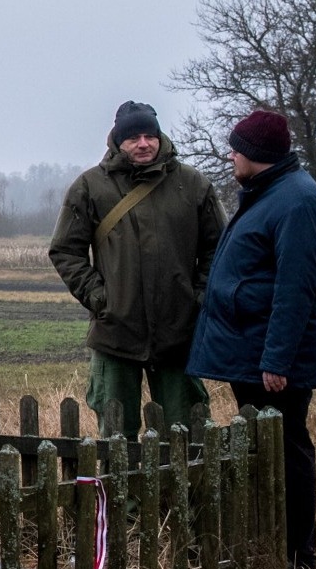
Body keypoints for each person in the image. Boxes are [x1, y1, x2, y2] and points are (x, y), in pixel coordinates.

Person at [186, 108, 316, 569]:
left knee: (287, 450)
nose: (230, 154)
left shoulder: (298, 202)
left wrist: (277, 359)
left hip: (271, 359)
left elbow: (297, 289)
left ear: (256, 155)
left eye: (237, 148)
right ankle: (272, 544)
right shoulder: (269, 193)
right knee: (264, 447)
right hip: (251, 351)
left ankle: (298, 559)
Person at [49, 100, 227, 440]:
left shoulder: (193, 185)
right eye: (133, 137)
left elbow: (218, 249)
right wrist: (101, 298)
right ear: (117, 141)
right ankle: (121, 495)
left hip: (179, 330)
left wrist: (198, 297)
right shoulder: (89, 187)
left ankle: (181, 495)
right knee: (117, 436)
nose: (143, 143)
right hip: (116, 331)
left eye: (150, 135)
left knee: (186, 434)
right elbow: (65, 250)